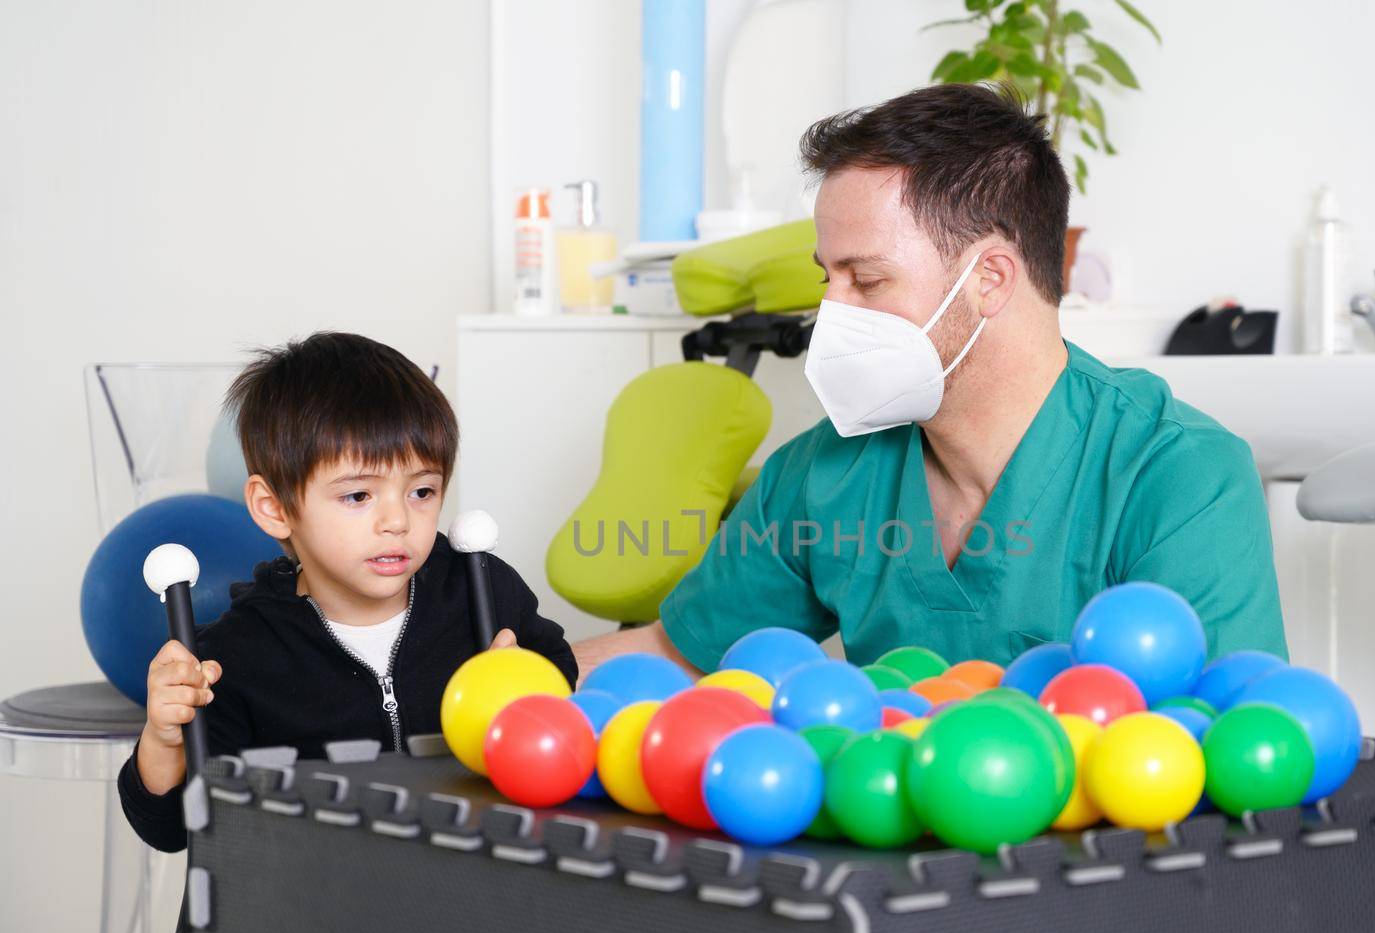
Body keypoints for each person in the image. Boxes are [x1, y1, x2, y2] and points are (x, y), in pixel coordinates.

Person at [575, 83, 1285, 679]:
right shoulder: (822, 474)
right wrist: (505, 670)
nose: (831, 315)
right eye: (829, 279)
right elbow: (681, 656)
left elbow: (1217, 736)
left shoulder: (1179, 475)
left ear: (990, 279)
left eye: (868, 278)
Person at [118, 333, 576, 852]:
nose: (398, 520)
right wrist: (163, 741)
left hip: (463, 896)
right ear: (274, 508)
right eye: (358, 495)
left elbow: (557, 679)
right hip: (319, 913)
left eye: (422, 491)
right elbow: (174, 830)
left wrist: (530, 691)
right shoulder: (234, 657)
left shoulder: (481, 592)